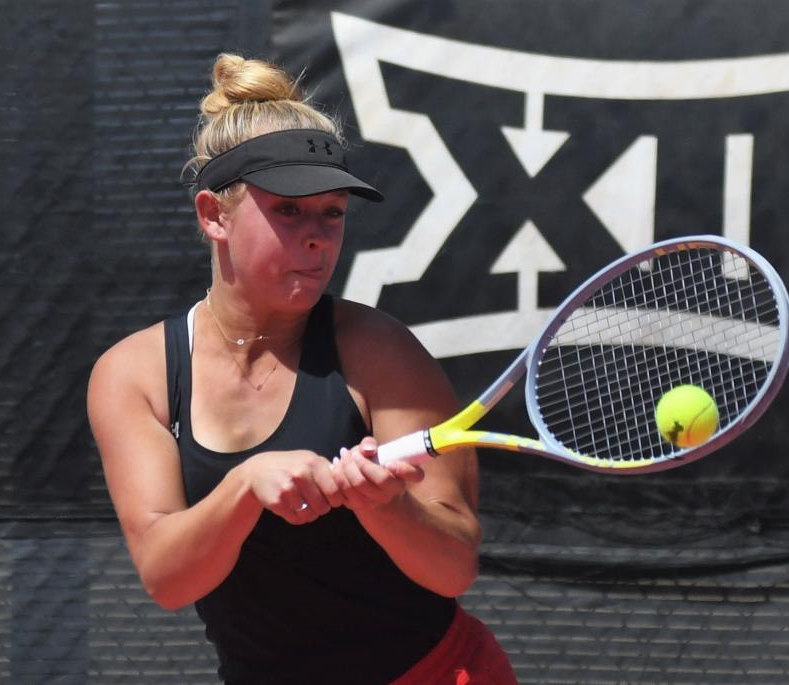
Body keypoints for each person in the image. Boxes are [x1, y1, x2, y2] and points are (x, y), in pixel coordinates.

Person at [87, 53, 519, 684]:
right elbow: (167, 577)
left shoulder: (379, 349)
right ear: (214, 216)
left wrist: (385, 506)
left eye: (333, 213)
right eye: (287, 210)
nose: (317, 237)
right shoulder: (134, 374)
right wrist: (244, 485)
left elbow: (454, 567)